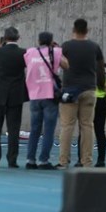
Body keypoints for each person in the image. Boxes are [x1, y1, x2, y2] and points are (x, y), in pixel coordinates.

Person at [58, 18, 105, 169]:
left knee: (67, 126)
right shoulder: (94, 47)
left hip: (70, 90)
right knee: (87, 126)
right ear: (87, 30)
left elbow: (59, 62)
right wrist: (101, 86)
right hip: (89, 89)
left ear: (74, 29)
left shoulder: (66, 46)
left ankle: (64, 161)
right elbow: (100, 68)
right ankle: (87, 161)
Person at [0, 26, 27, 169]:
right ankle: (12, 160)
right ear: (18, 38)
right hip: (16, 95)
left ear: (5, 38)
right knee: (14, 129)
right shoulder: (23, 53)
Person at [24, 31, 66, 170]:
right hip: (49, 94)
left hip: (34, 94)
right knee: (48, 130)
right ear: (51, 41)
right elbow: (67, 65)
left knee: (35, 129)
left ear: (39, 40)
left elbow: (28, 64)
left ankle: (30, 159)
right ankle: (43, 160)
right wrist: (57, 49)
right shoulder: (55, 52)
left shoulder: (30, 52)